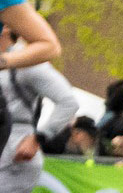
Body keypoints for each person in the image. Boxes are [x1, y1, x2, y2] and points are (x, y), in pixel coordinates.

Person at [0, 24, 78, 192]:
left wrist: (38, 138)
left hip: (15, 154)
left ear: (6, 27)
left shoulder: (26, 60)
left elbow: (68, 102)